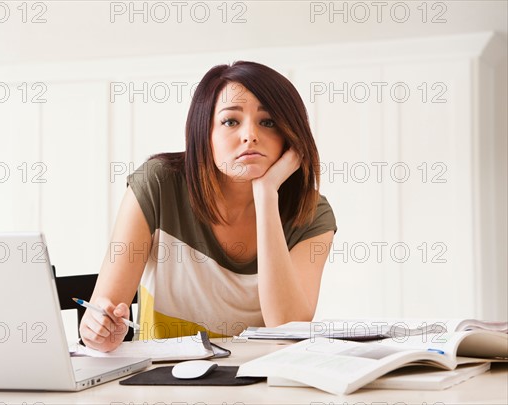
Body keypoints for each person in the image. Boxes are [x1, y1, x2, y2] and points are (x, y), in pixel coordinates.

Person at [80, 61, 337, 352]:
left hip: (258, 382)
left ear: (290, 138)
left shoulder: (312, 213)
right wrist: (99, 331)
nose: (249, 135)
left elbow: (286, 328)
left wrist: (266, 193)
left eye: (268, 122)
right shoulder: (158, 185)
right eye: (231, 121)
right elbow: (102, 314)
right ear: (205, 133)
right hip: (163, 382)